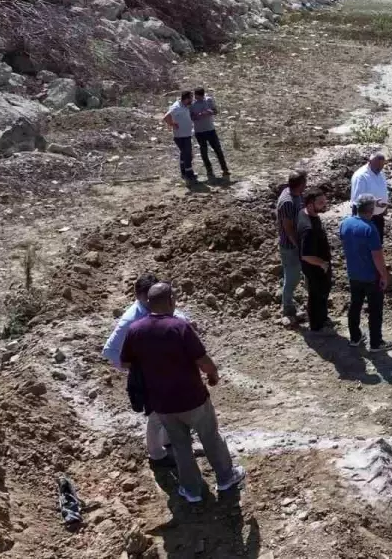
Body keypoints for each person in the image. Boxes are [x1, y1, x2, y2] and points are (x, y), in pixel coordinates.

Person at [121, 283, 246, 502]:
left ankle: (191, 490)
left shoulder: (135, 330)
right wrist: (213, 375)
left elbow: (126, 362)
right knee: (210, 437)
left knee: (180, 446)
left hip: (162, 403)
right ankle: (226, 478)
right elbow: (203, 360)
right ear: (170, 300)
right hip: (193, 399)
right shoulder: (179, 327)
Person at [102, 274, 192, 468]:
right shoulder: (132, 319)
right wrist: (137, 369)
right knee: (156, 415)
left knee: (171, 409)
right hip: (150, 376)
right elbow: (110, 350)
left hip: (168, 370)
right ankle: (156, 455)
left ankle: (167, 443)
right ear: (142, 296)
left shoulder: (154, 308)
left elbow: (174, 316)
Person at [339, 194, 392, 352]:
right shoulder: (370, 229)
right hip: (371, 276)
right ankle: (376, 343)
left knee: (355, 305)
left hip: (353, 274)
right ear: (370, 210)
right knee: (375, 310)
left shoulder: (344, 224)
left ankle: (355, 338)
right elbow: (377, 257)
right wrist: (384, 275)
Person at [298, 188, 332, 334]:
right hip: (315, 267)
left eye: (325, 201)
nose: (324, 205)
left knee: (321, 292)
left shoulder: (304, 213)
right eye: (320, 203)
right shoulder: (309, 228)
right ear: (310, 204)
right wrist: (322, 263)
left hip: (318, 265)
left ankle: (323, 319)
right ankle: (317, 326)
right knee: (316, 295)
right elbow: (306, 255)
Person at [276, 171, 307, 324]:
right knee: (292, 278)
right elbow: (288, 229)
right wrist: (299, 246)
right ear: (301, 184)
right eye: (305, 182)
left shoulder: (296, 194)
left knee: (297, 274)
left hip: (298, 243)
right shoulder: (287, 201)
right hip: (290, 247)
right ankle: (287, 308)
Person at [190, 88, 229, 181]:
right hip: (199, 131)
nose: (197, 98)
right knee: (204, 151)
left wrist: (209, 112)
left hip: (210, 130)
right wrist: (198, 115)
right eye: (197, 96)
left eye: (199, 96)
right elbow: (190, 117)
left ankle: (224, 169)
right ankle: (209, 170)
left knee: (218, 149)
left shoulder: (209, 100)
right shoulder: (192, 104)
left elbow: (215, 111)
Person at [350, 153, 390, 239]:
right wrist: (374, 203)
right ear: (370, 162)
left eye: (382, 165)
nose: (379, 167)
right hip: (364, 217)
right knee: (365, 242)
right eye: (377, 165)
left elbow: (383, 189)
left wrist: (384, 207)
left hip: (378, 214)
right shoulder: (361, 176)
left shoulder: (380, 173)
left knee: (378, 241)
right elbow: (358, 199)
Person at [163, 91, 197, 182]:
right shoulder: (176, 107)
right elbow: (166, 117)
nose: (192, 100)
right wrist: (172, 124)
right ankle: (189, 174)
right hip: (181, 136)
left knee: (184, 154)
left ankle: (184, 172)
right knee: (187, 154)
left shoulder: (184, 105)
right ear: (186, 99)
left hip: (186, 134)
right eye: (191, 98)